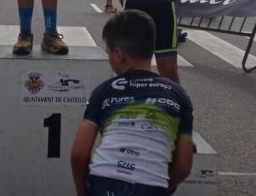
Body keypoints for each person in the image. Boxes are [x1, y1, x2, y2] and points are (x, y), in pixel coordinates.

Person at [70, 10, 194, 196]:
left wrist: (83, 193)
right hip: (152, 186)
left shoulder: (105, 90)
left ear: (118, 54)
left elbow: (79, 155)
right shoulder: (179, 95)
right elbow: (184, 167)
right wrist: (162, 187)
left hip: (103, 182)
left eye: (108, 53)